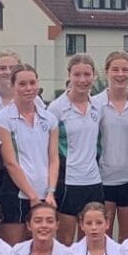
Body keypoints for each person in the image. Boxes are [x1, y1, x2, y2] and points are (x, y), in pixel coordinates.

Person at [0, 65, 59, 247]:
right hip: (16, 194)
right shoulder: (2, 119)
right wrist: (33, 197)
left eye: (32, 83)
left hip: (47, 195)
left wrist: (50, 192)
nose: (28, 88)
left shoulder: (49, 119)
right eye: (22, 84)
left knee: (41, 252)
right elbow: (10, 162)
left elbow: (54, 158)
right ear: (13, 86)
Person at [52, 54, 106, 245]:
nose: (82, 80)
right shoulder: (56, 109)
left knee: (91, 241)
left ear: (94, 76)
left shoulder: (98, 106)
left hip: (93, 181)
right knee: (65, 241)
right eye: (77, 75)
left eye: (87, 74)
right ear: (69, 75)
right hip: (68, 182)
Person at [93, 50, 128, 240]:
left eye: (125, 69)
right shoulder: (94, 104)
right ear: (107, 71)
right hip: (102, 180)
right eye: (115, 69)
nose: (120, 74)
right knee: (101, 239)